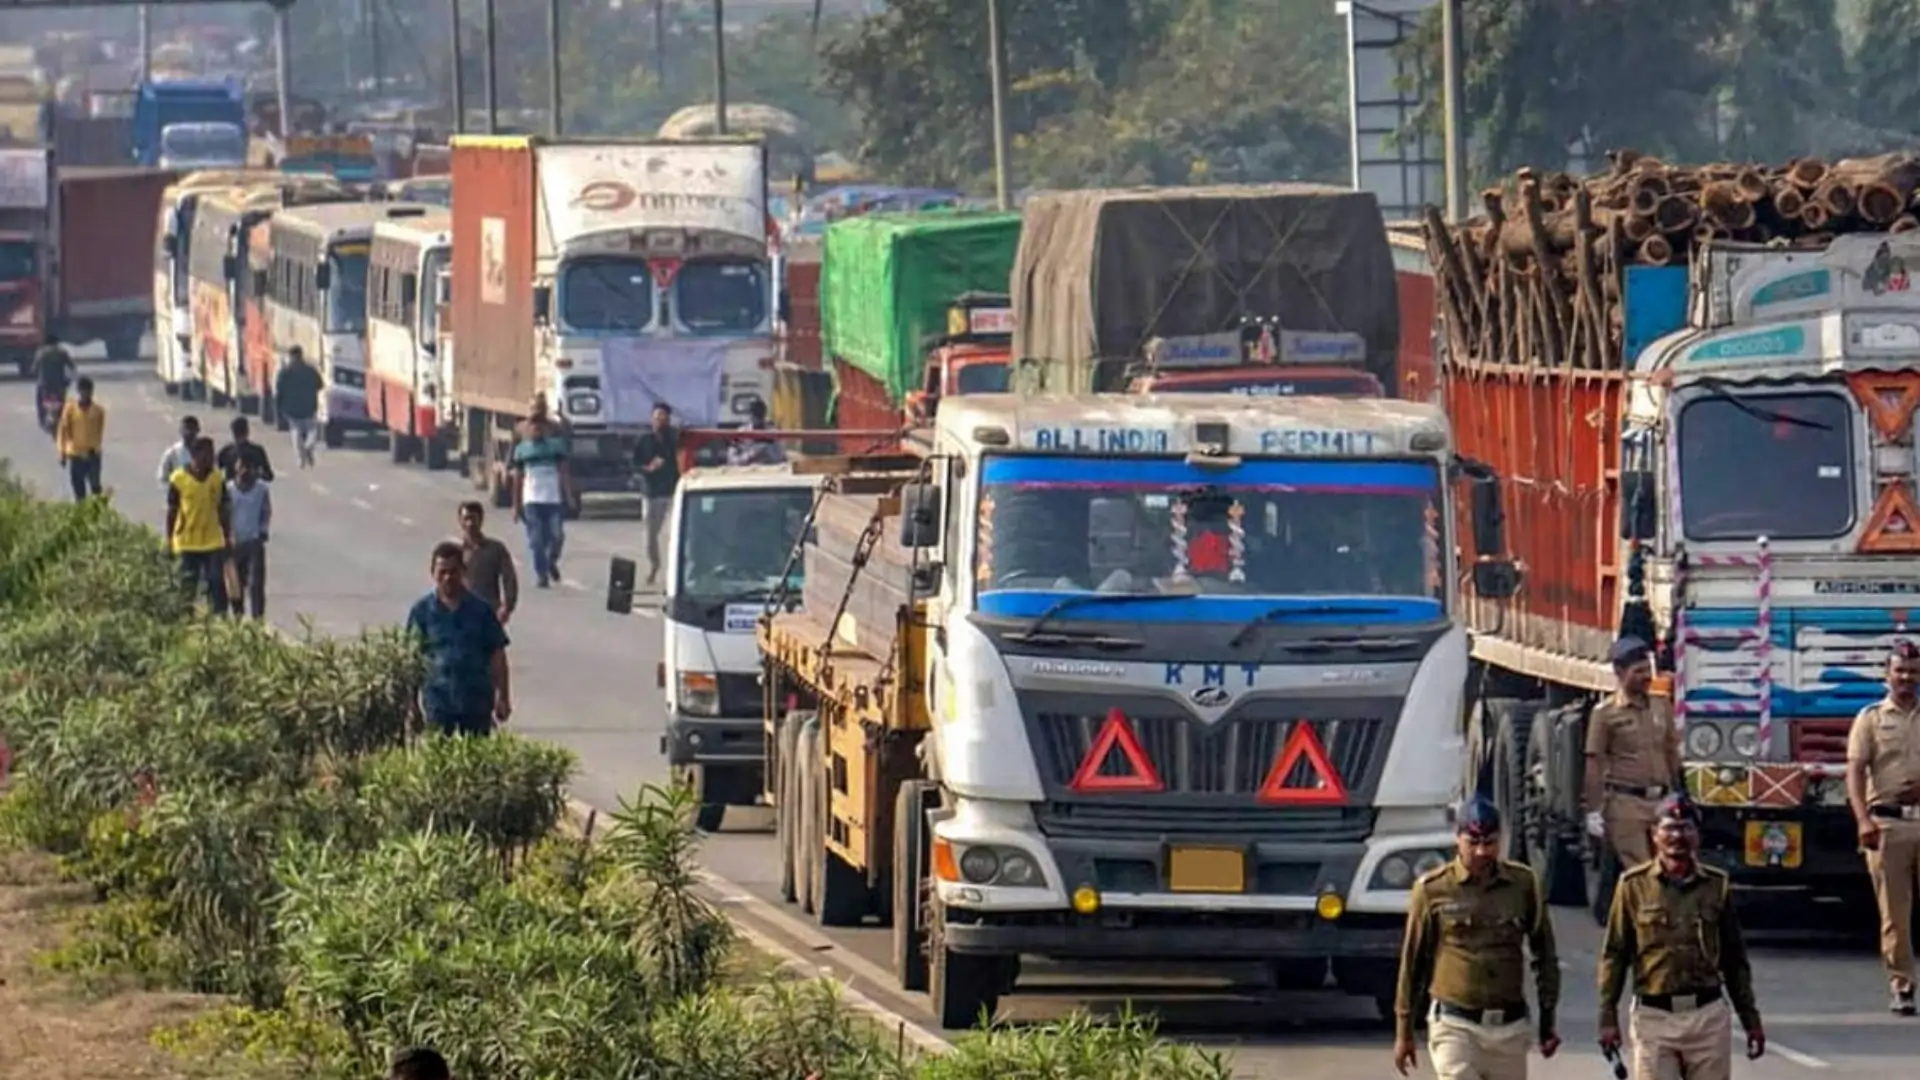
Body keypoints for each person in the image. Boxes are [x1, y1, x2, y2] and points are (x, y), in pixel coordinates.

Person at [1597, 793, 1766, 1079]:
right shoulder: (1632, 887)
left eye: (1686, 827)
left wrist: (1751, 1020)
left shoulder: (1716, 886)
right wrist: (1607, 1017)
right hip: (1654, 1018)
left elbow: (1734, 959)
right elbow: (1615, 954)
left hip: (1706, 1018)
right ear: (1654, 835)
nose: (1678, 836)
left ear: (1697, 836)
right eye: (1669, 828)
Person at [1393, 795, 1560, 1080]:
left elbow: (1544, 954)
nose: (1482, 851)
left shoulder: (1523, 884)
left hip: (1509, 1028)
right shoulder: (1432, 889)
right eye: (1473, 842)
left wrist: (1547, 1021)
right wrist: (1403, 1031)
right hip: (1455, 1025)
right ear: (1457, 839)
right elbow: (1413, 963)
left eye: (1490, 842)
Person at [1583, 635, 1682, 918]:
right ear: (1619, 673)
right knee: (1642, 871)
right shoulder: (1605, 714)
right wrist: (1593, 811)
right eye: (1637, 672)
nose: (1645, 678)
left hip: (1661, 802)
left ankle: (1652, 924)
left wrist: (1679, 791)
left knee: (1669, 867)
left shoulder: (1661, 706)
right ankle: (1651, 931)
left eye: (1646, 670)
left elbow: (1671, 751)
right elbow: (1594, 762)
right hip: (1625, 804)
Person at [1846, 639, 1920, 1016]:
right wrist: (1862, 819)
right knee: (1895, 914)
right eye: (1900, 671)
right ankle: (1902, 985)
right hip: (1888, 824)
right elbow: (1856, 772)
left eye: (1912, 671)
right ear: (1887, 674)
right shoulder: (1871, 718)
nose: (1906, 677)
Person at [405, 541, 511, 737]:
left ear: (463, 571)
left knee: (476, 760)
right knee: (439, 759)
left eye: (453, 571)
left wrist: (503, 696)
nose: (448, 578)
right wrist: (411, 704)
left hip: (476, 701)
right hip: (438, 700)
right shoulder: (422, 611)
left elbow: (497, 655)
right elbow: (412, 658)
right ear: (432, 573)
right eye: (442, 572)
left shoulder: (481, 610)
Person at [509, 397, 573, 588]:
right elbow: (518, 478)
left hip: (553, 499)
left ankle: (550, 561)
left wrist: (568, 495)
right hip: (532, 500)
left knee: (557, 536)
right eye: (532, 426)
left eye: (539, 426)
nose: (535, 429)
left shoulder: (555, 446)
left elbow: (564, 471)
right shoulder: (522, 450)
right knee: (536, 540)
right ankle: (541, 574)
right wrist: (516, 504)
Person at [166, 436, 231, 612]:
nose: (212, 458)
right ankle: (185, 618)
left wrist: (227, 536)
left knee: (216, 581)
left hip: (212, 540)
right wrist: (169, 538)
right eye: (208, 454)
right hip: (187, 540)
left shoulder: (217, 479)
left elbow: (223, 508)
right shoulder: (178, 479)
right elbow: (172, 510)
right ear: (195, 455)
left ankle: (219, 618)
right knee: (188, 584)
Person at [631, 402, 681, 586]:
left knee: (674, 533)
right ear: (652, 418)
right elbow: (634, 465)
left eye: (664, 417)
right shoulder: (644, 440)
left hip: (672, 490)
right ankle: (654, 566)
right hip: (652, 492)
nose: (661, 420)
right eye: (658, 416)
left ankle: (675, 572)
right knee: (651, 535)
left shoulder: (673, 438)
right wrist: (648, 468)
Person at [457, 501, 519, 627]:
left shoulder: (495, 549)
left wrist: (507, 607)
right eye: (466, 519)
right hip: (460, 612)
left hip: (489, 612)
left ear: (481, 520)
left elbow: (509, 579)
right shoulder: (456, 551)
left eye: (473, 518)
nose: (470, 524)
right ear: (460, 521)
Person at [226, 456, 271, 619]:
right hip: (234, 543)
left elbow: (266, 512)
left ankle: (257, 619)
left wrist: (263, 530)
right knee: (235, 585)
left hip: (254, 542)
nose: (245, 471)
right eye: (241, 467)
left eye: (248, 467)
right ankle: (238, 616)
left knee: (255, 584)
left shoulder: (261, 490)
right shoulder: (228, 489)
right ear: (236, 469)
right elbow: (224, 514)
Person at [55, 375, 106, 501]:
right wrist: (62, 453)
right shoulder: (70, 409)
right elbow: (63, 430)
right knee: (79, 490)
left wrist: (95, 448)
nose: (84, 394)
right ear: (78, 391)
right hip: (75, 454)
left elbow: (99, 431)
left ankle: (97, 515)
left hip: (92, 454)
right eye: (82, 391)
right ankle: (82, 515)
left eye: (87, 391)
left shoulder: (98, 411)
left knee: (95, 488)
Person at [274, 345, 324, 468]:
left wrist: (279, 408)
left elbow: (279, 390)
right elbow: (320, 385)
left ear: (290, 356)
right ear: (301, 355)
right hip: (309, 406)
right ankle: (308, 448)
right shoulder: (310, 370)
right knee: (312, 431)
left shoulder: (285, 372)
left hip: (291, 408)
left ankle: (300, 458)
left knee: (295, 432)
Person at [31, 333, 74, 430]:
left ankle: (42, 420)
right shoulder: (62, 352)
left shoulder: (40, 353)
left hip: (44, 384)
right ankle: (61, 418)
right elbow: (71, 367)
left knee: (40, 402)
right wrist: (69, 380)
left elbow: (34, 369)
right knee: (62, 402)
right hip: (60, 384)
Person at [726, 399, 787, 465]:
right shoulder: (741, 433)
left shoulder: (773, 434)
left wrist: (765, 451)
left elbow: (780, 458)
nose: (758, 420)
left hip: (768, 471)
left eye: (760, 416)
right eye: (756, 415)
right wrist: (750, 455)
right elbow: (731, 460)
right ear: (751, 415)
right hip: (746, 471)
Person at [217, 415, 275, 482]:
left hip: (231, 490)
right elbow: (269, 476)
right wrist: (257, 474)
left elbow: (218, 476)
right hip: (253, 489)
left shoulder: (225, 452)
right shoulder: (257, 451)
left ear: (233, 432)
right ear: (247, 431)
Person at [155, 415, 201, 490]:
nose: (188, 432)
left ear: (198, 430)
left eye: (192, 429)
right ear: (180, 431)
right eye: (185, 429)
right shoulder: (172, 453)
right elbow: (162, 477)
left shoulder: (205, 452)